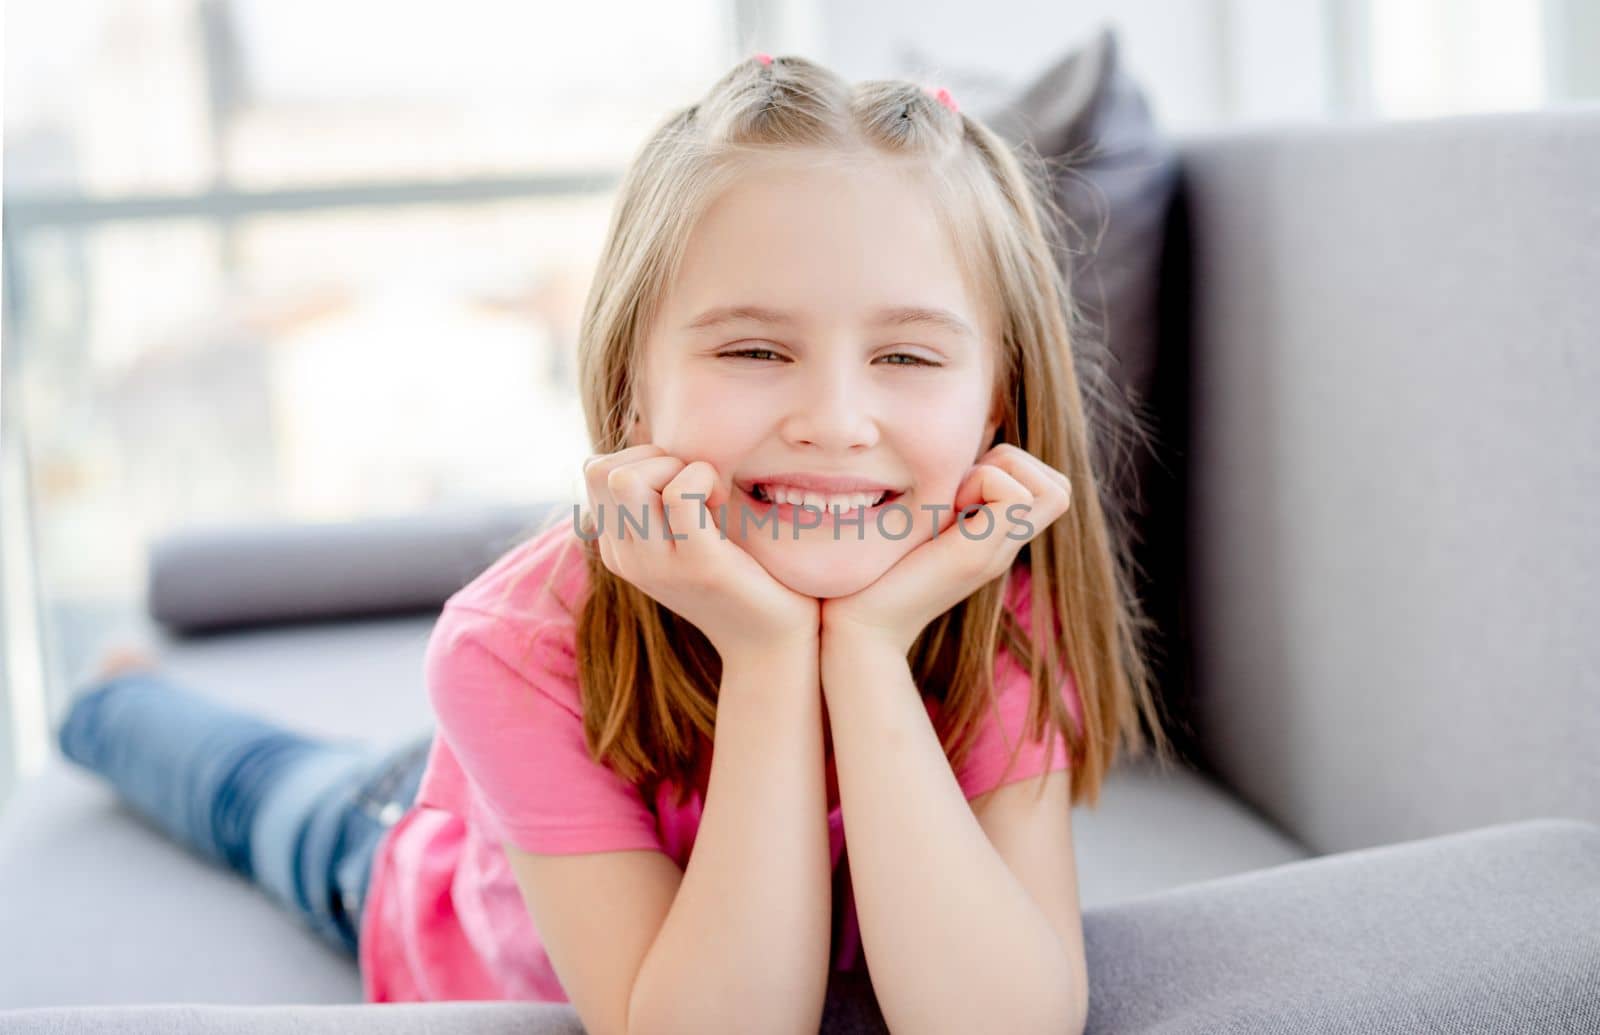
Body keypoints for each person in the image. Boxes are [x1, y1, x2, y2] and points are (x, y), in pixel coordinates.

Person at [58, 52, 1178, 1034]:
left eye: (909, 358)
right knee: (265, 798)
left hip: (533, 765)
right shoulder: (509, 648)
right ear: (632, 388)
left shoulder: (996, 604)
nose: (836, 419)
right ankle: (118, 699)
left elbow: (1003, 1023)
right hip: (410, 858)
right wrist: (768, 652)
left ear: (997, 404)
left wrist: (869, 651)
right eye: (752, 351)